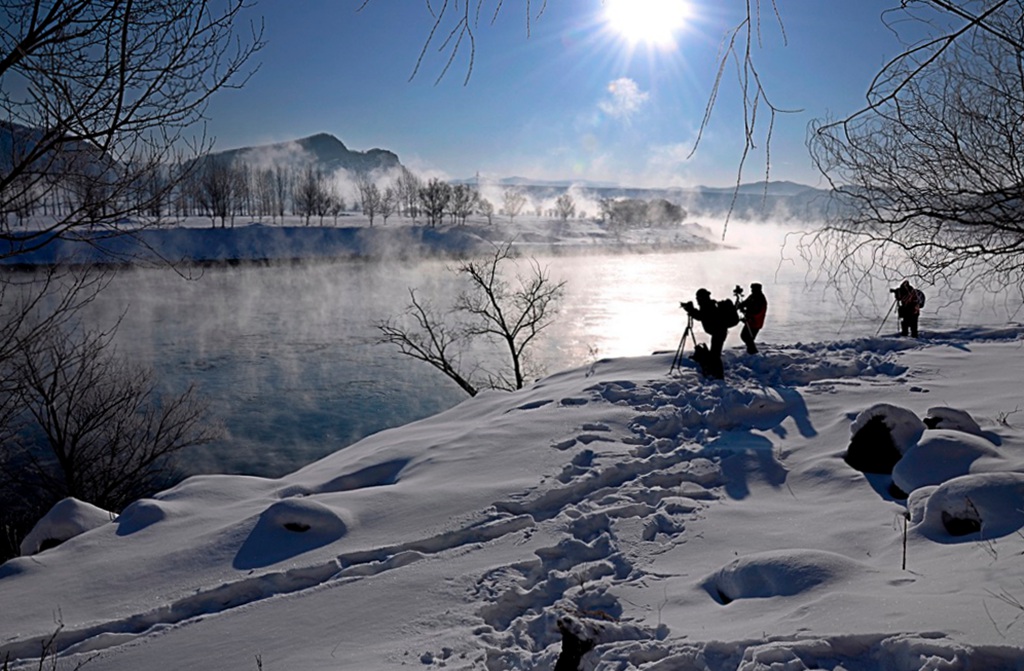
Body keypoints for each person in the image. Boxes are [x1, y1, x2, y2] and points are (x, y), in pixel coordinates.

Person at [681, 288, 737, 379]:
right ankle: (715, 372)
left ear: (702, 297)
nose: (697, 300)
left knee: (715, 355)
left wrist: (691, 310)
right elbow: (702, 315)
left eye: (698, 298)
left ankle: (719, 376)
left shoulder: (707, 305)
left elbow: (701, 316)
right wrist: (692, 310)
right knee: (715, 354)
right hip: (719, 332)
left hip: (718, 332)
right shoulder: (708, 304)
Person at [737, 282, 768, 354]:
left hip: (755, 322)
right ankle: (751, 351)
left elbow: (757, 311)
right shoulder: (753, 296)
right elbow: (746, 302)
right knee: (745, 336)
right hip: (750, 321)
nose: (752, 291)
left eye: (753, 289)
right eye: (751, 289)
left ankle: (753, 352)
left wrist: (748, 314)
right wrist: (741, 305)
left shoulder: (760, 299)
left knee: (747, 337)